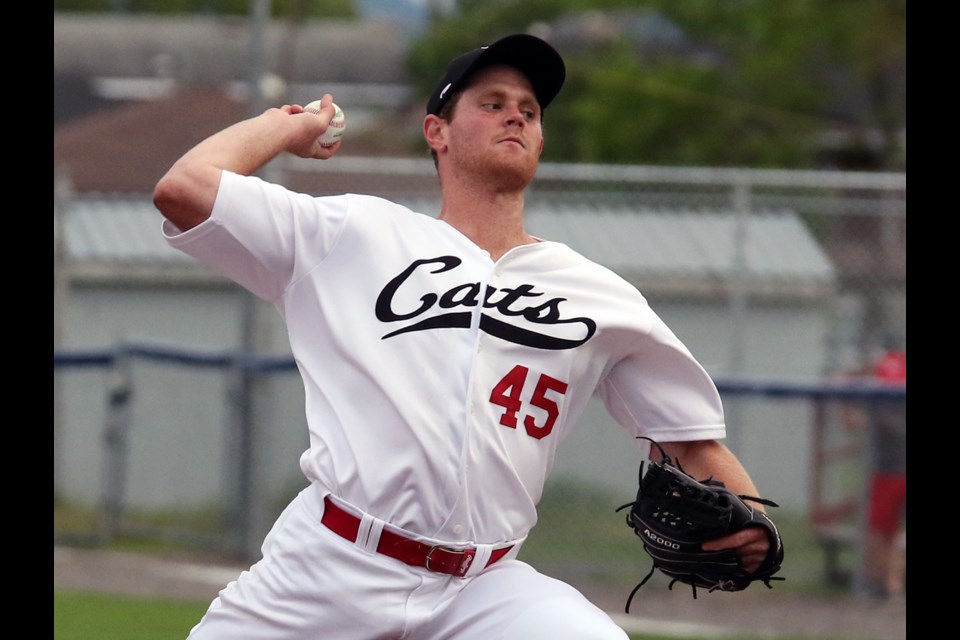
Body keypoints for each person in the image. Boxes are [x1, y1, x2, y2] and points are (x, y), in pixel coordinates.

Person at [153, 33, 776, 640]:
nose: (516, 118)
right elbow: (184, 189)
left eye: (529, 111)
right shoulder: (354, 234)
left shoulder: (598, 294)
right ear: (438, 133)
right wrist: (286, 128)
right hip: (330, 565)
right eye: (493, 103)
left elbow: (689, 442)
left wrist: (753, 523)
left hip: (482, 587)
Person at [863, 344, 906, 599]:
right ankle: (879, 584)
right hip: (887, 469)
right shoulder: (883, 367)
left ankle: (892, 583)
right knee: (881, 529)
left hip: (893, 469)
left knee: (892, 532)